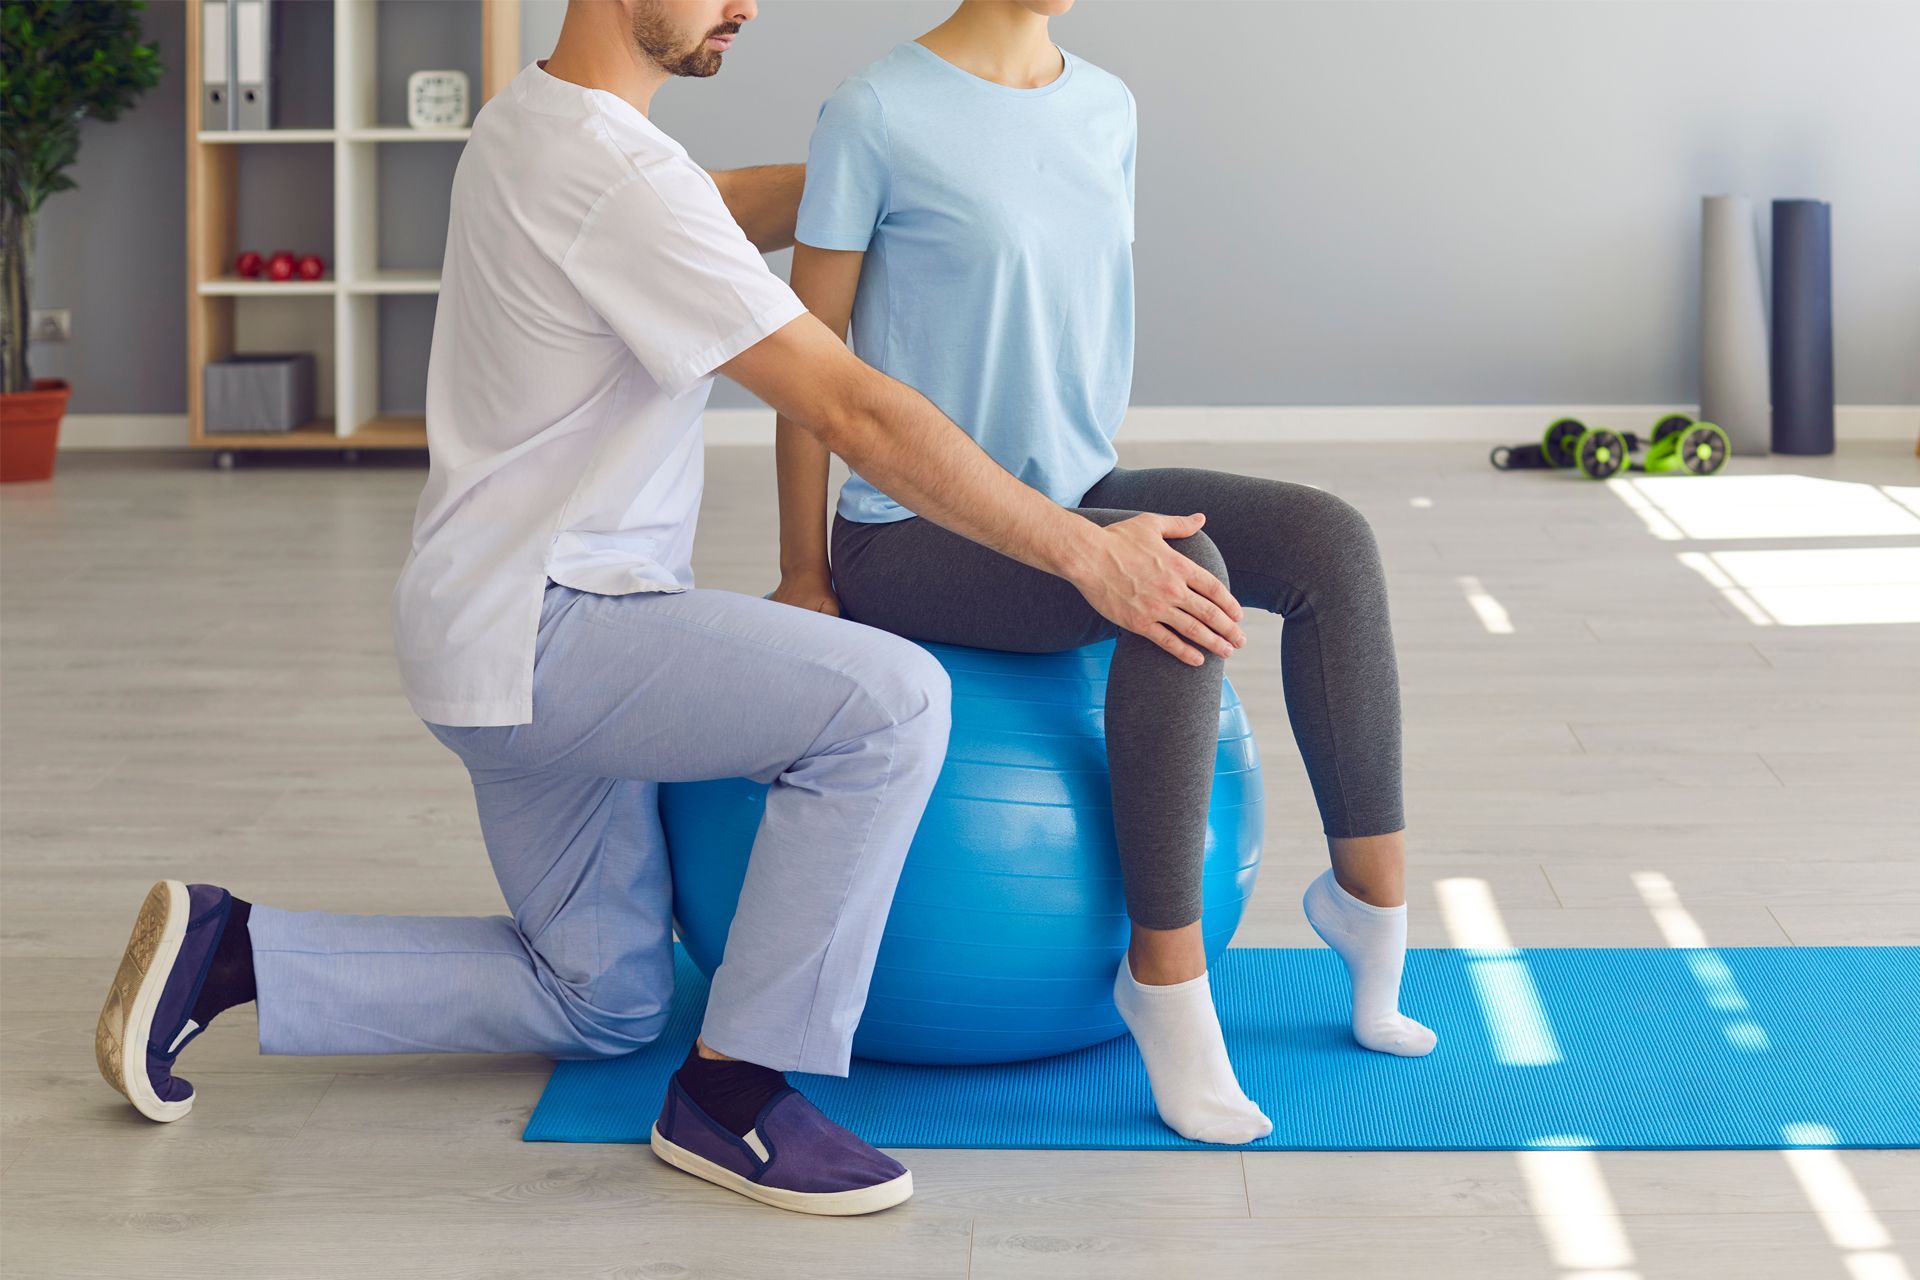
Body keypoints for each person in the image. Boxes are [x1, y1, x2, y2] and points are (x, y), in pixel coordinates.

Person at [93, 0, 1251, 1216]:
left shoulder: (539, 120)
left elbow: (714, 201)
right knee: (891, 699)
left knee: (604, 998)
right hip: (560, 632)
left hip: (484, 628)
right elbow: (852, 412)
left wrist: (900, 168)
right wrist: (1083, 551)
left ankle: (233, 949)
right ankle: (736, 1096)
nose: (744, 4)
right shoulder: (619, 174)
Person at [772, 0, 1438, 1147]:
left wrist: (1088, 513)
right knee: (1181, 571)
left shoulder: (1107, 106)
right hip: (912, 535)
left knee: (1332, 539)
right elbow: (806, 369)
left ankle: (1370, 905)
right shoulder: (875, 110)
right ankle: (1166, 982)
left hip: (1076, 491)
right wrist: (804, 572)